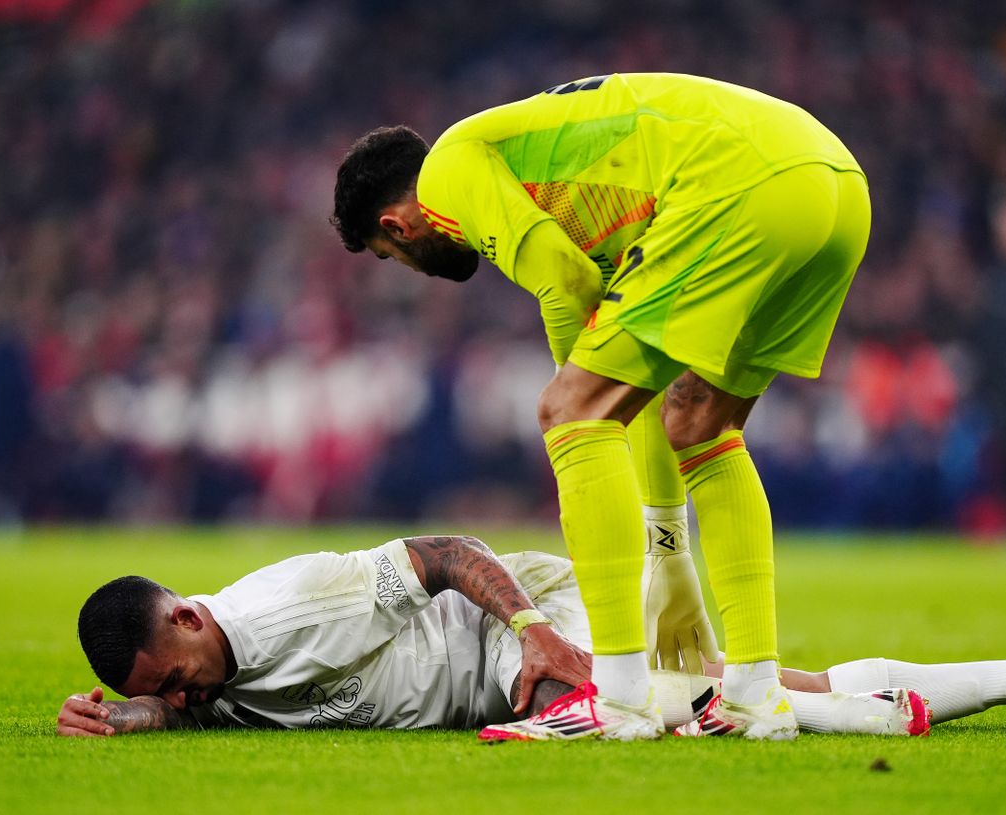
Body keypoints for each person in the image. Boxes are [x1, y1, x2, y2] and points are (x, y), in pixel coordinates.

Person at [330, 72, 872, 740]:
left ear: (396, 225)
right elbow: (633, 375)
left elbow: (564, 283)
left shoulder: (446, 172)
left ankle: (617, 698)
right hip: (830, 182)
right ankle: (757, 694)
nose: (413, 265)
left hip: (737, 185)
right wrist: (668, 549)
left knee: (571, 410)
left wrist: (575, 400)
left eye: (395, 256)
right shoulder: (570, 183)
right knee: (701, 424)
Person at [55, 535, 1006, 738]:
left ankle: (994, 680)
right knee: (754, 684)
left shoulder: (293, 601)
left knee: (722, 696)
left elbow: (444, 551)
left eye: (180, 677)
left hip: (526, 639)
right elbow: (182, 704)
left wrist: (532, 633)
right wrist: (134, 710)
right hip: (504, 674)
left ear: (192, 617)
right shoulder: (202, 675)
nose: (192, 699)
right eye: (174, 691)